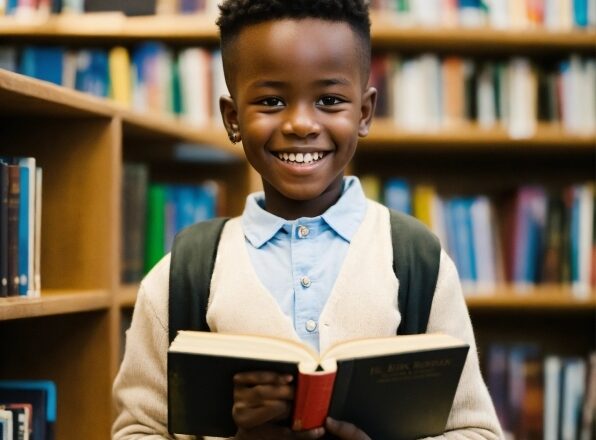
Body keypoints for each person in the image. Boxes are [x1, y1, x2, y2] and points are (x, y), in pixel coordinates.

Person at [112, 0, 504, 439]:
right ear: (232, 117)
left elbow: (476, 431)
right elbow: (136, 431)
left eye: (330, 100)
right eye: (271, 101)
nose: (301, 123)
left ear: (365, 113)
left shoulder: (417, 261)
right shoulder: (183, 275)